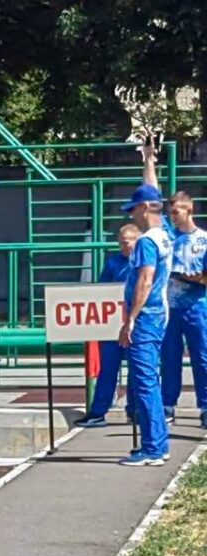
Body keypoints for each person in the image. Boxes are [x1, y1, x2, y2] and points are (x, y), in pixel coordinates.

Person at [117, 178, 174, 466]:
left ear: (143, 208)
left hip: (147, 317)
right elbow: (154, 191)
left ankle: (154, 447)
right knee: (148, 379)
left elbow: (145, 280)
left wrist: (130, 319)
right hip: (159, 314)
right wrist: (149, 160)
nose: (131, 217)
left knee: (144, 381)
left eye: (133, 211)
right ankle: (157, 444)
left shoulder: (146, 242)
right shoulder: (164, 233)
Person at [74, 223, 140, 427]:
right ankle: (98, 412)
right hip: (113, 325)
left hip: (137, 323)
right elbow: (103, 291)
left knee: (137, 370)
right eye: (120, 243)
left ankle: (135, 410)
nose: (123, 247)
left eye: (126, 243)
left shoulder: (144, 262)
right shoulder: (113, 264)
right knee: (108, 369)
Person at [159, 192, 207, 428]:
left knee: (202, 358)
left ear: (190, 210)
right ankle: (168, 405)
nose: (173, 216)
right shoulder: (168, 237)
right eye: (171, 212)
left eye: (176, 211)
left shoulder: (204, 240)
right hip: (170, 308)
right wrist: (148, 162)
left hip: (197, 307)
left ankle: (205, 407)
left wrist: (193, 279)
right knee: (169, 358)